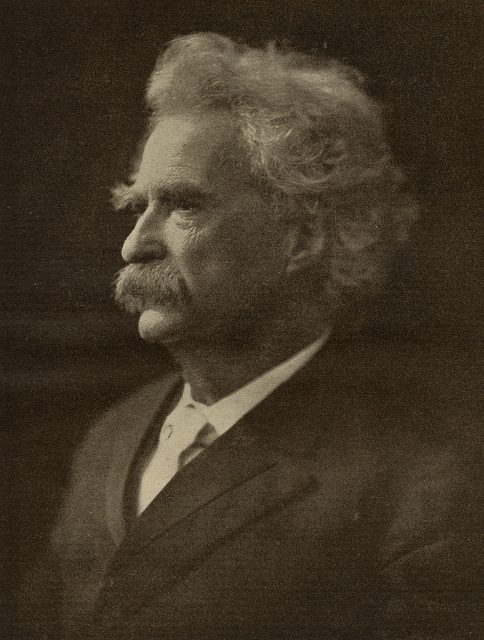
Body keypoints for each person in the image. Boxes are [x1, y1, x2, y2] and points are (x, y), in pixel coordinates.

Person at [33, 33, 481, 640]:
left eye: (184, 206)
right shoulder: (112, 435)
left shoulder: (422, 480)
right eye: (138, 207)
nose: (134, 245)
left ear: (301, 239)